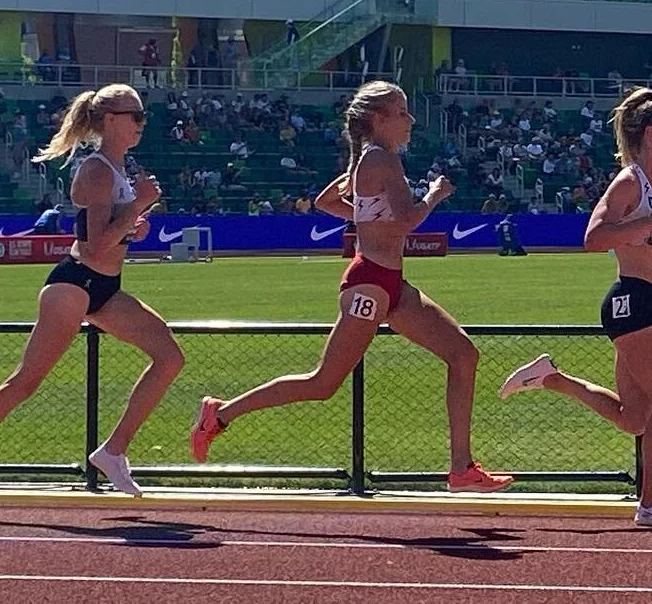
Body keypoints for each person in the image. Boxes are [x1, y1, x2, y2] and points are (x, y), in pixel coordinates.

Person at [190, 80, 513, 493]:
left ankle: (461, 468)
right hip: (370, 285)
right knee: (322, 383)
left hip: (389, 282)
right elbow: (407, 219)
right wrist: (434, 195)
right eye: (402, 112)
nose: (411, 120)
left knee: (463, 355)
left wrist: (363, 216)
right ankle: (218, 414)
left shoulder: (369, 160)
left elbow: (327, 200)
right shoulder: (382, 161)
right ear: (379, 120)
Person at [0, 85, 180, 517]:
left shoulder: (122, 166)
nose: (142, 123)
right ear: (110, 120)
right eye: (135, 115)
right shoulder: (97, 170)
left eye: (142, 116)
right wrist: (136, 205)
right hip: (75, 284)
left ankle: (113, 451)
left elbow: (113, 236)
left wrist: (135, 224)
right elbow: (96, 245)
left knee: (169, 357)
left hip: (105, 288)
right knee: (25, 382)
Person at [497, 88, 652, 527]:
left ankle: (552, 378)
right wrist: (651, 222)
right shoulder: (630, 182)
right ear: (651, 135)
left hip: (649, 302)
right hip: (630, 303)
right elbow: (594, 237)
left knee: (634, 419)